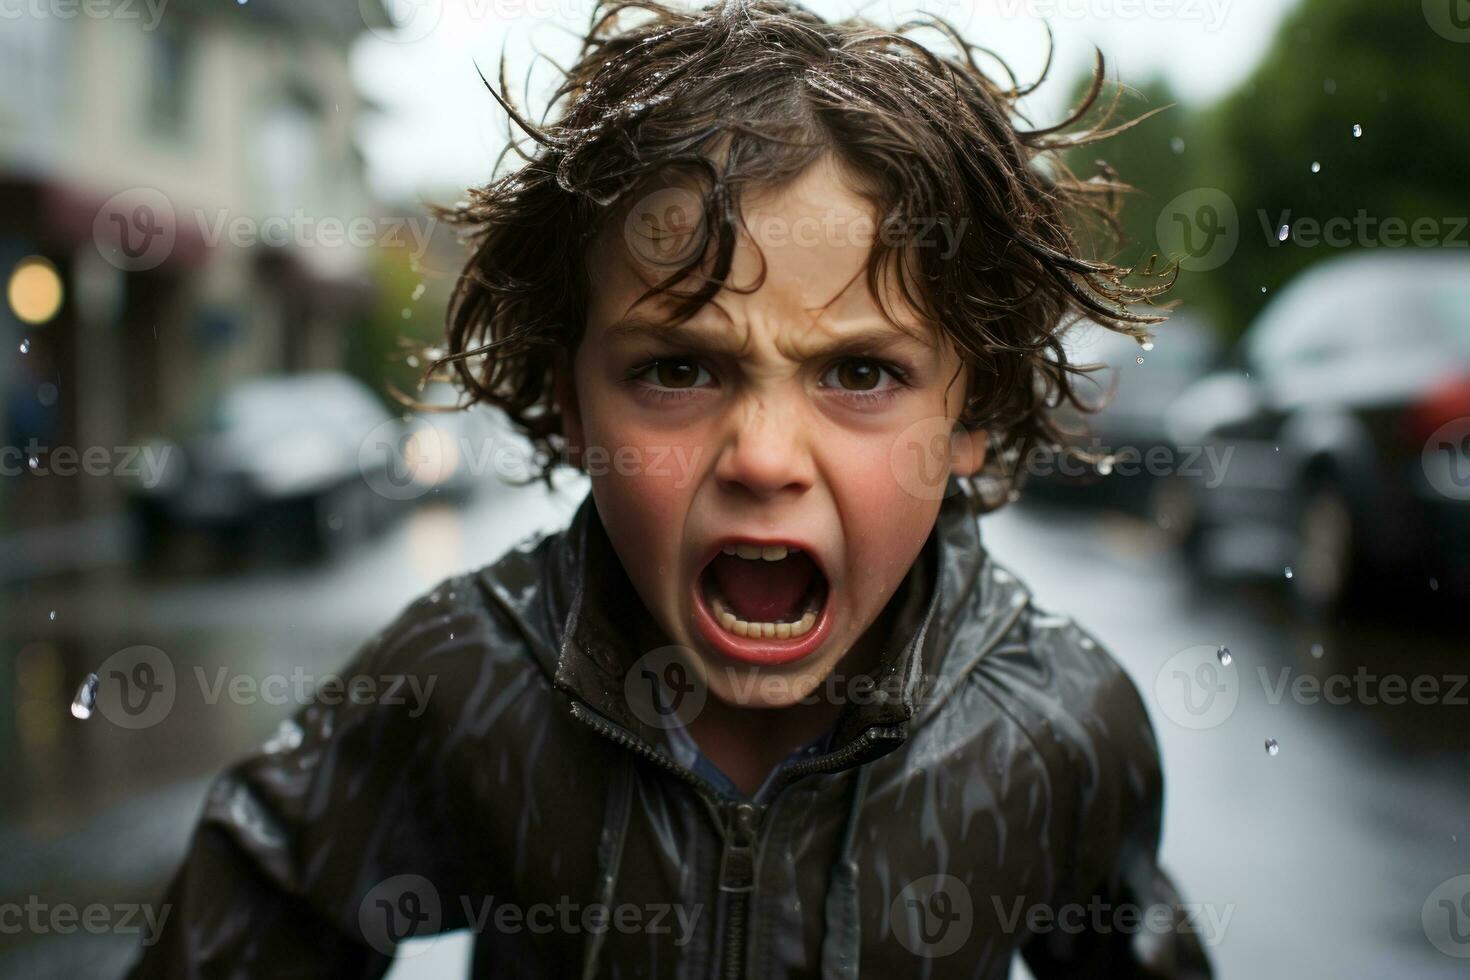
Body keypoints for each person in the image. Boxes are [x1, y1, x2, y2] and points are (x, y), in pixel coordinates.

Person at [127, 1, 1210, 975]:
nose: (763, 456)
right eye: (679, 369)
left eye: (860, 372)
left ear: (971, 416)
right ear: (575, 403)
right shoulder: (463, 686)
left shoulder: (1054, 723)